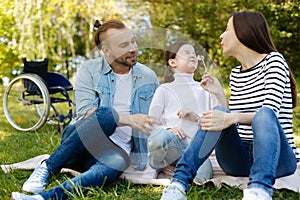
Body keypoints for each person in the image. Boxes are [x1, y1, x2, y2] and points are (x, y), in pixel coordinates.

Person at [11, 19, 160, 200]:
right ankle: (48, 167)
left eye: (133, 41)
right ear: (106, 51)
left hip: (113, 151)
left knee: (118, 163)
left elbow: (155, 117)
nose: (132, 48)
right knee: (107, 114)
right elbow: (86, 113)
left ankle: (43, 198)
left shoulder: (148, 76)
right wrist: (128, 119)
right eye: (124, 45)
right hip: (79, 143)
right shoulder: (89, 70)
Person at [160, 11, 299, 200]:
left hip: (277, 159)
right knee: (219, 112)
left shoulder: (274, 61)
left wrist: (229, 117)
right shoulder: (236, 74)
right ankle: (178, 185)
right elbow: (233, 119)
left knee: (264, 114)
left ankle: (259, 191)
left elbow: (270, 113)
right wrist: (218, 94)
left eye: (227, 29)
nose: (221, 36)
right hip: (239, 160)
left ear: (244, 32)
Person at [147, 41, 222, 184]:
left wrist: (195, 117)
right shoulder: (164, 89)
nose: (192, 55)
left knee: (203, 178)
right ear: (172, 62)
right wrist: (168, 130)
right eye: (186, 52)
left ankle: (176, 165)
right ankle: (156, 162)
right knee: (160, 137)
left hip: (194, 149)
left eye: (194, 53)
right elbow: (151, 123)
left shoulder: (205, 89)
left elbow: (219, 120)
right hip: (171, 142)